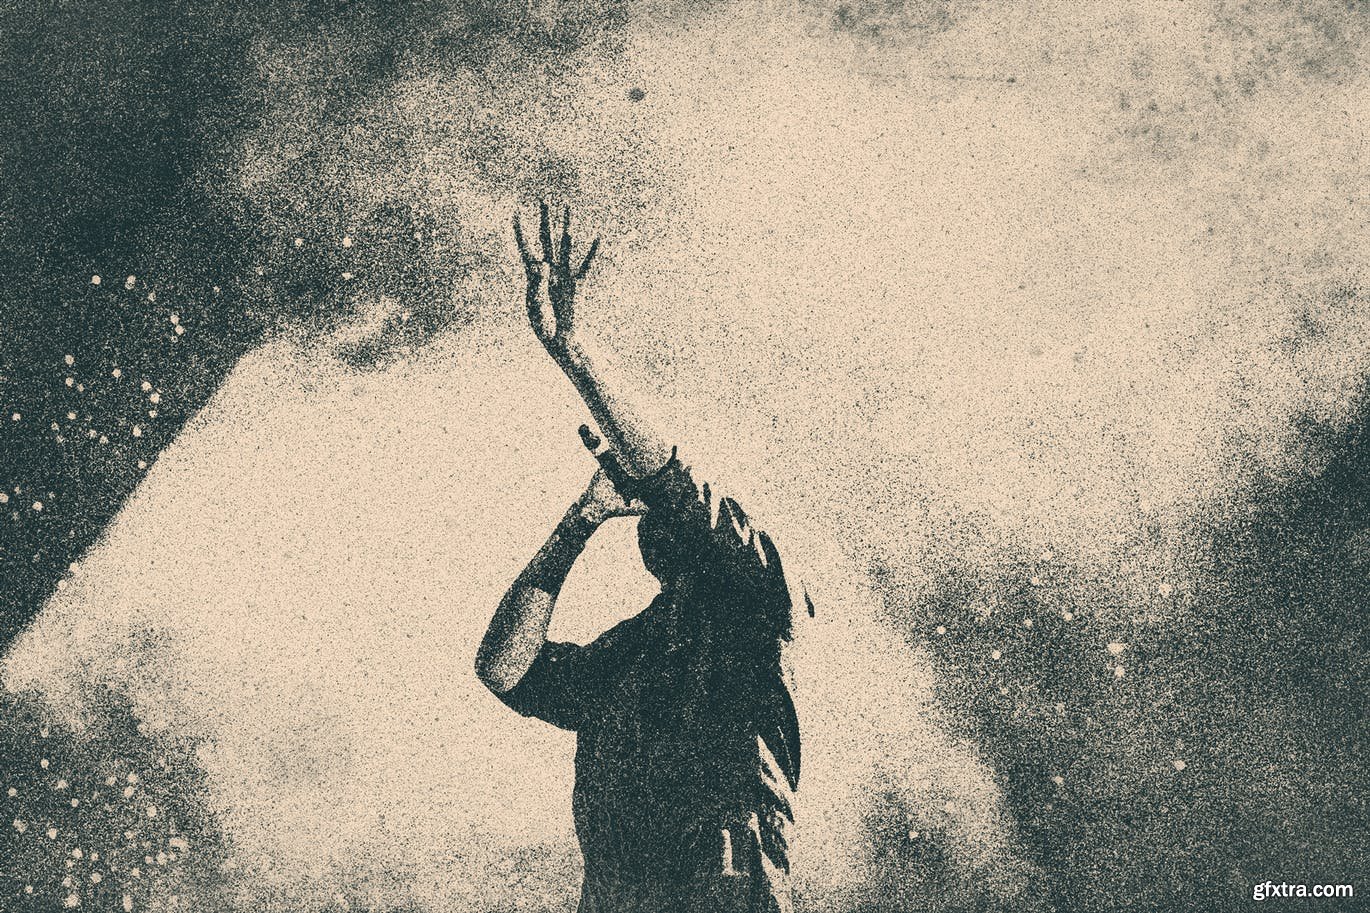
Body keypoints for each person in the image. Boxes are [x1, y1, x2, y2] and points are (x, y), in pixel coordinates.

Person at [475, 203, 808, 913]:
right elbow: (506, 669)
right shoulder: (632, 652)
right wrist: (580, 520)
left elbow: (678, 484)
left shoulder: (760, 590)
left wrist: (578, 357)